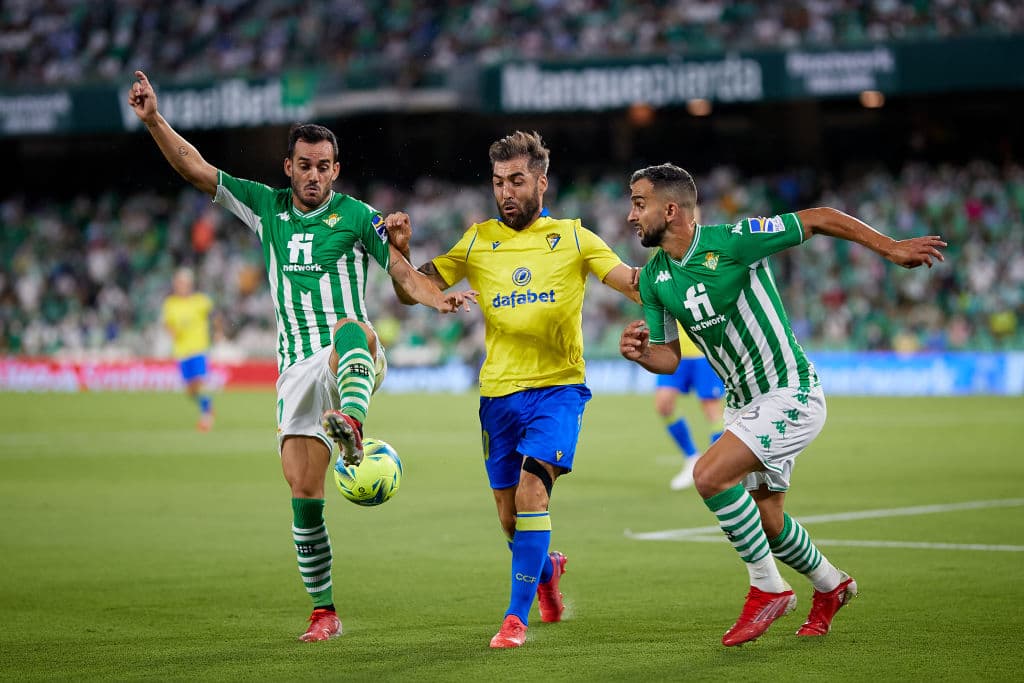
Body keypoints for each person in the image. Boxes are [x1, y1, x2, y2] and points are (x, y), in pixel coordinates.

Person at [128, 70, 476, 643]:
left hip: (351, 354)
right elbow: (196, 169)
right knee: (305, 498)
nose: (314, 175)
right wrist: (153, 120)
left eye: (324, 166)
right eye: (304, 165)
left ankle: (354, 429)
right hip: (296, 372)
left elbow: (402, 275)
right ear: (288, 167)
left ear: (335, 170)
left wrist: (436, 297)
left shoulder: (361, 217)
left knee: (348, 327)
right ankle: (324, 613)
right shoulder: (264, 207)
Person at [619, 163, 945, 646]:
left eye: (639, 203)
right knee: (769, 524)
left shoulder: (733, 241)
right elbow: (669, 357)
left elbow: (819, 217)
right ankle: (832, 585)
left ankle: (767, 588)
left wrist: (891, 248)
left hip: (790, 391)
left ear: (671, 210)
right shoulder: (654, 280)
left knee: (709, 475)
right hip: (743, 403)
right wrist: (644, 355)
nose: (630, 215)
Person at [388, 131, 640, 648]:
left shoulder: (574, 237)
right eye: (499, 182)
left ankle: (514, 619)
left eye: (517, 181)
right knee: (511, 520)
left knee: (531, 493)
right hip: (497, 397)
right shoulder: (478, 240)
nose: (506, 192)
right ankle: (548, 573)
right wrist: (402, 254)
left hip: (557, 390)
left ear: (541, 182)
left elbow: (632, 281)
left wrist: (689, 266)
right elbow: (416, 289)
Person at [656, 321, 724, 490]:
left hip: (704, 350)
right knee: (663, 404)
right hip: (672, 350)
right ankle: (692, 458)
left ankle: (716, 466)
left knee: (711, 408)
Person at [161, 267, 216, 431]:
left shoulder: (200, 301)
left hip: (198, 348)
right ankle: (207, 406)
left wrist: (219, 331)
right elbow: (168, 324)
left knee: (199, 382)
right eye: (179, 283)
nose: (181, 286)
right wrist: (173, 331)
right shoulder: (170, 303)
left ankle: (206, 415)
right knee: (190, 390)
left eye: (184, 283)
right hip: (181, 351)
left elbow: (214, 316)